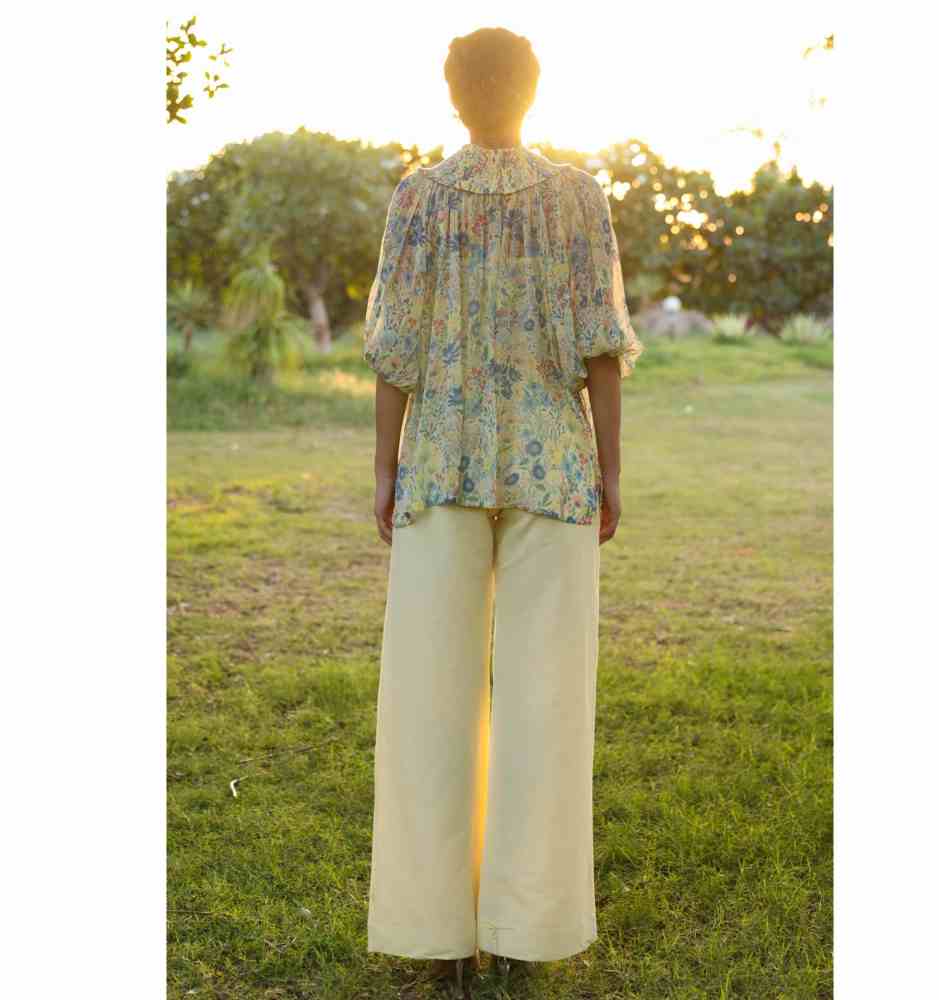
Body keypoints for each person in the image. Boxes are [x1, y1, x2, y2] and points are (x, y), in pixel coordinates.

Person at [362, 26, 643, 996]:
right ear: (532, 90)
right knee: (546, 706)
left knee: (426, 705)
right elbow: (600, 347)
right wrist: (610, 472)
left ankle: (441, 937)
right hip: (552, 466)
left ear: (453, 95)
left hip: (438, 463)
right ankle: (523, 932)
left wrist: (384, 470)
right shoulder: (577, 196)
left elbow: (395, 349)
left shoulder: (416, 197)